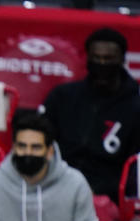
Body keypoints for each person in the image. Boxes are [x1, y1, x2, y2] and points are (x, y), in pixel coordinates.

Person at [41, 28, 140, 202]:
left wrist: (101, 191)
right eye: (96, 58)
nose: (101, 64)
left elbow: (135, 169)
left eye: (108, 59)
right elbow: (40, 141)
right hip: (56, 187)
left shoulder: (135, 107)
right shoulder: (62, 97)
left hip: (109, 197)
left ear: (122, 60)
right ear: (87, 59)